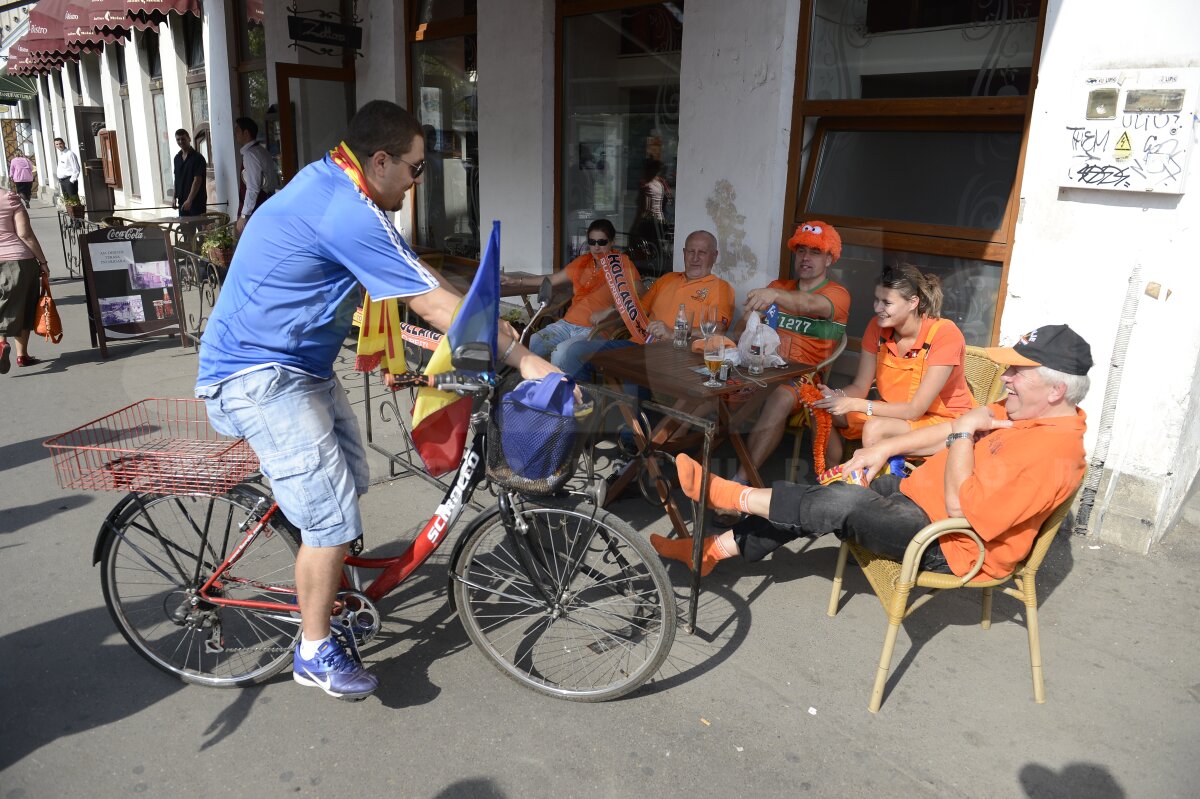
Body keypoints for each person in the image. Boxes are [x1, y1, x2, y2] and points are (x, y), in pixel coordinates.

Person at [195, 101, 560, 701]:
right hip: (257, 374)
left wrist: (494, 311)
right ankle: (313, 650)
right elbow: (428, 304)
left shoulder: (349, 188)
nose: (419, 181)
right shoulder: (345, 210)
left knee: (351, 481)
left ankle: (318, 555)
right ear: (381, 160)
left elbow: (421, 276)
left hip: (299, 365)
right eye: (416, 169)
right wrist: (522, 358)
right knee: (331, 515)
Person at [651, 324, 1092, 581]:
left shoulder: (1053, 455)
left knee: (839, 503)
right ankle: (711, 551)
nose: (1006, 377)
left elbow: (964, 507)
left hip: (951, 541)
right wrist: (882, 452)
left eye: (1018, 371)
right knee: (832, 488)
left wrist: (960, 435)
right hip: (916, 494)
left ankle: (731, 497)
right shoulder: (1019, 411)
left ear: (1056, 391)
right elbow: (945, 436)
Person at [811, 263, 975, 461]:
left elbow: (915, 410)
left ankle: (869, 489)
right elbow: (860, 386)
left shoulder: (944, 334)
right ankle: (831, 480)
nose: (877, 308)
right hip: (894, 413)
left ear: (913, 302)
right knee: (821, 412)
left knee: (875, 427)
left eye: (886, 303)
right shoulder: (876, 327)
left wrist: (855, 404)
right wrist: (837, 397)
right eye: (876, 300)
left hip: (944, 422)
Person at [733, 221, 852, 481]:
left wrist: (773, 295)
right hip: (761, 368)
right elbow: (741, 332)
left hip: (803, 377)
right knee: (709, 379)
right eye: (801, 251)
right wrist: (748, 321)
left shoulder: (837, 294)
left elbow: (808, 303)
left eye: (815, 252)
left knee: (782, 396)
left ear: (829, 259)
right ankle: (657, 447)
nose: (806, 258)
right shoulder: (779, 286)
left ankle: (741, 481)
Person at [555, 230, 734, 381]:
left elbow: (717, 331)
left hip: (672, 354)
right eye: (691, 252)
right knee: (575, 351)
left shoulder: (719, 287)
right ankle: (581, 406)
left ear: (714, 256)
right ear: (683, 252)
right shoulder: (667, 279)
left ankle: (630, 421)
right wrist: (610, 310)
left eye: (702, 252)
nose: (695, 258)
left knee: (635, 373)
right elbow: (637, 309)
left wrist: (673, 333)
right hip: (637, 346)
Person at [502, 219, 642, 368]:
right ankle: (530, 387)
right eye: (592, 241)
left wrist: (610, 310)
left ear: (612, 242)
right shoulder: (583, 262)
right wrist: (516, 281)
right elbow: (552, 279)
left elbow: (640, 293)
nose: (596, 247)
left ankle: (561, 389)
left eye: (602, 242)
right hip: (566, 325)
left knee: (560, 352)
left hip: (596, 329)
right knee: (533, 342)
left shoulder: (621, 265)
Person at [0, 189, 52, 372]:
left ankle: (1, 344)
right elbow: (25, 234)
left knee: (3, 305)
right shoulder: (9, 198)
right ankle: (22, 355)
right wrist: (43, 262)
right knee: (23, 306)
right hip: (18, 261)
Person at [233, 117, 280, 236]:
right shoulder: (260, 150)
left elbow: (253, 187)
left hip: (257, 207)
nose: (235, 133)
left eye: (237, 130)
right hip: (265, 202)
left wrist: (244, 215)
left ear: (246, 133)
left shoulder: (251, 154)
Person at [173, 129, 207, 217]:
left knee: (201, 229)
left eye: (183, 139)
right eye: (178, 139)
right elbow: (176, 179)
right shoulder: (177, 158)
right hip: (182, 202)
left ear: (189, 139)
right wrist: (174, 197)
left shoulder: (198, 158)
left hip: (197, 201)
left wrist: (189, 200)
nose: (181, 141)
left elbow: (197, 180)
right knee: (185, 230)